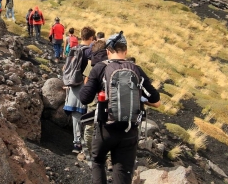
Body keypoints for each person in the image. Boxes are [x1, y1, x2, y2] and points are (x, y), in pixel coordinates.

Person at [79, 32, 161, 184]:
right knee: (122, 171)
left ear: (108, 51)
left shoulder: (100, 68)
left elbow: (85, 98)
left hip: (106, 130)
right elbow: (155, 99)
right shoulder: (137, 70)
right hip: (129, 131)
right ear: (126, 51)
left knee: (98, 162)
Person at [63, 26, 96, 153]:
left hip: (72, 85)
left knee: (76, 116)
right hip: (85, 85)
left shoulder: (74, 49)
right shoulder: (89, 52)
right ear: (92, 38)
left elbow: (66, 67)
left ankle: (76, 143)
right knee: (88, 116)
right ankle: (85, 143)